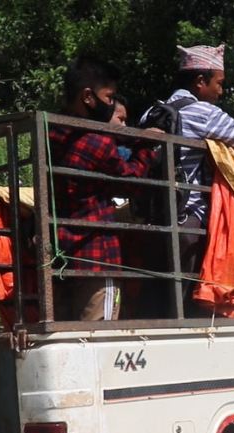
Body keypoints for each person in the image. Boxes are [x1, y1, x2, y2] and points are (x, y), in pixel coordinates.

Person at [49, 56, 159, 320]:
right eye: (108, 97)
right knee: (99, 336)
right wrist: (145, 146)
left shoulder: (53, 130)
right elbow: (132, 182)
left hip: (62, 255)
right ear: (88, 97)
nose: (110, 104)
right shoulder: (95, 141)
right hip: (98, 256)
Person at [143, 44, 234, 258]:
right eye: (219, 83)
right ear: (200, 81)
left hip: (152, 217)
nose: (221, 91)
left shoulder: (151, 112)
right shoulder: (203, 112)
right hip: (189, 220)